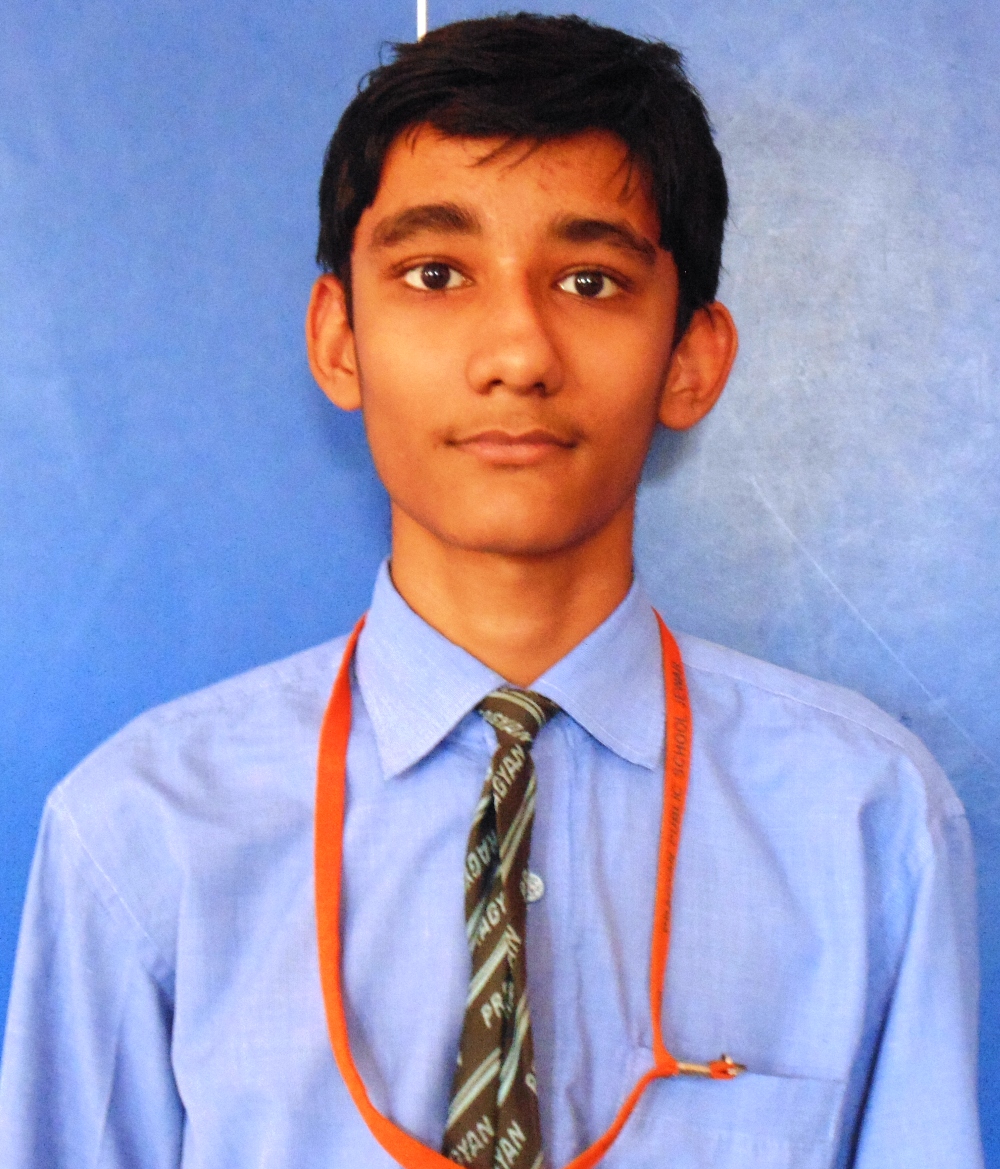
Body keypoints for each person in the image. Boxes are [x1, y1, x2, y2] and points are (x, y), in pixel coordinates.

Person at [0, 13, 982, 1169]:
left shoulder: (864, 822)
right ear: (339, 338)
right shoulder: (144, 832)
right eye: (435, 274)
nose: (517, 351)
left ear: (689, 358)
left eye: (590, 280)